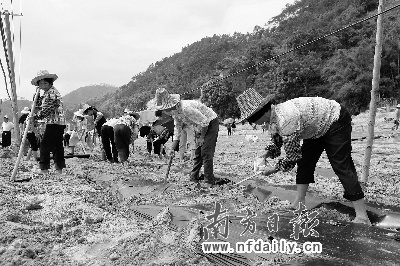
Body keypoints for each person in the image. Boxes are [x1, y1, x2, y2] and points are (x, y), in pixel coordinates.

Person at [236, 88, 371, 225]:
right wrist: (264, 155)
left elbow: (292, 157)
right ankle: (299, 201)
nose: (251, 124)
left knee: (341, 165)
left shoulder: (286, 119)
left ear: (258, 115)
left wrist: (272, 170)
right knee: (305, 162)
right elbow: (277, 143)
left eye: (250, 121)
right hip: (314, 127)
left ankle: (362, 215)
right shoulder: (273, 119)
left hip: (334, 119)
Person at [150, 88, 219, 188]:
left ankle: (209, 180)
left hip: (210, 122)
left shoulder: (186, 108)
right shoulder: (175, 113)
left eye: (164, 109)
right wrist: (173, 148)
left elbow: (205, 121)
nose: (164, 111)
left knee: (206, 151)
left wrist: (202, 138)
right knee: (198, 152)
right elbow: (178, 130)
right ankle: (194, 176)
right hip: (199, 126)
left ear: (170, 106)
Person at [31, 70, 65, 174]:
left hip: (54, 122)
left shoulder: (51, 93)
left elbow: (46, 110)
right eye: (40, 83)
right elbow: (40, 104)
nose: (42, 85)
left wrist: (35, 118)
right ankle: (59, 168)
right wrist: (35, 98)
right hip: (58, 122)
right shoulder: (47, 93)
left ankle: (44, 168)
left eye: (45, 83)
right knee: (57, 145)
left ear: (50, 83)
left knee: (44, 145)